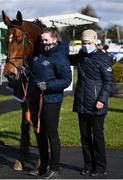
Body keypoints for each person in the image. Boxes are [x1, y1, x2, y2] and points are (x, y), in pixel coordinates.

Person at [28, 26, 72, 179]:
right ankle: (42, 167)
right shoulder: (38, 54)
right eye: (42, 40)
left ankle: (54, 169)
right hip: (35, 99)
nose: (44, 42)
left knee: (51, 133)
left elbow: (67, 80)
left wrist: (48, 85)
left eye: (46, 40)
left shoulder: (60, 57)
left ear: (55, 39)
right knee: (38, 132)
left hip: (51, 100)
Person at [69, 29, 113, 177]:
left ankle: (100, 167)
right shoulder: (81, 56)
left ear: (95, 42)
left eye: (88, 42)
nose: (85, 45)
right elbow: (66, 59)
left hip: (97, 105)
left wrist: (101, 99)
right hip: (81, 104)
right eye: (83, 42)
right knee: (85, 137)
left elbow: (108, 82)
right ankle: (88, 165)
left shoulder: (103, 58)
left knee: (98, 137)